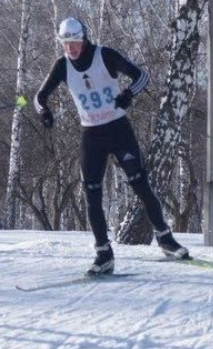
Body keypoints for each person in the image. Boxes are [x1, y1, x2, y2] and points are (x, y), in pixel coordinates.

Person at [34, 17, 188, 275]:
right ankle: (103, 253)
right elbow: (40, 98)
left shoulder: (104, 55)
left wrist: (128, 95)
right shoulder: (62, 66)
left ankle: (165, 239)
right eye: (66, 43)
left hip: (118, 130)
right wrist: (44, 113)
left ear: (84, 38)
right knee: (92, 195)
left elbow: (142, 77)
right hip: (91, 135)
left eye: (75, 42)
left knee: (141, 185)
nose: (71, 48)